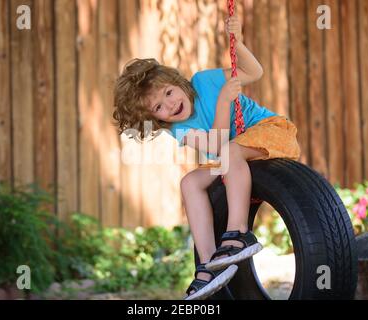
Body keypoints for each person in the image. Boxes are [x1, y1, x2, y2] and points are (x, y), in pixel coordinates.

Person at [113, 16, 301, 300]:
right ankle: (209, 264)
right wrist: (225, 102)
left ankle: (238, 233)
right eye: (159, 107)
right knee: (190, 182)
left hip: (268, 133)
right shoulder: (178, 129)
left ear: (178, 82)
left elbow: (254, 72)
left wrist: (238, 41)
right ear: (154, 118)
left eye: (168, 92)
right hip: (231, 152)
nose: (170, 104)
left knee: (229, 152)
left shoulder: (205, 81)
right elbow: (216, 142)